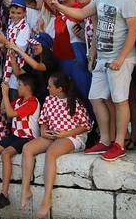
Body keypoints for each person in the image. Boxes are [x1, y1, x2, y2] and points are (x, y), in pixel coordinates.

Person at [54, 0, 136, 162]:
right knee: (96, 97)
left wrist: (120, 58)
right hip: (102, 57)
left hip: (120, 58)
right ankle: (105, 140)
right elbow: (82, 14)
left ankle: (119, 143)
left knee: (119, 100)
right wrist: (60, 7)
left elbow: (133, 31)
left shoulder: (127, 0)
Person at [20, 73, 92, 219]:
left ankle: (47, 199)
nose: (47, 88)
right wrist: (44, 132)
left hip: (72, 136)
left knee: (51, 153)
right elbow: (43, 121)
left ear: (59, 89)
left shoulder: (75, 102)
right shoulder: (49, 100)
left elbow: (85, 126)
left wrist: (65, 134)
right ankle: (25, 189)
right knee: (27, 149)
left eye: (50, 86)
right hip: (53, 135)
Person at [0, 74, 40, 209]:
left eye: (20, 85)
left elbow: (10, 114)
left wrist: (5, 93)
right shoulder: (20, 101)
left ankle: (4, 195)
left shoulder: (33, 102)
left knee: (6, 153)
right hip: (16, 135)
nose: (18, 88)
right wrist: (5, 95)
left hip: (27, 137)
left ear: (27, 87)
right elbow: (4, 109)